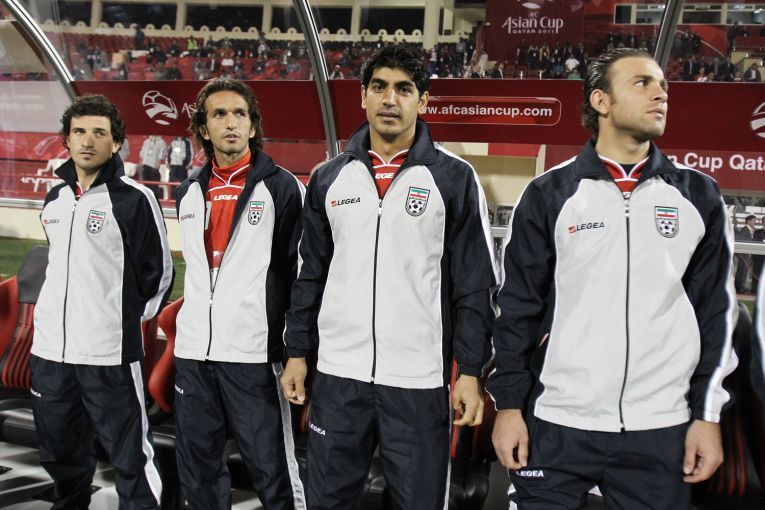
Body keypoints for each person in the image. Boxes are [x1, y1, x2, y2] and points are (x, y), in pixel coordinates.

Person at [488, 48, 737, 509]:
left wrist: (707, 415)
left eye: (662, 85)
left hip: (660, 423)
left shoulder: (698, 195)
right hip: (558, 417)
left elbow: (716, 316)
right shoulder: (549, 194)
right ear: (600, 101)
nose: (661, 94)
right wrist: (508, 406)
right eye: (643, 83)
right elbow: (517, 310)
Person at [280, 45, 497, 509]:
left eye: (404, 89)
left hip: (417, 379)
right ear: (363, 96)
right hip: (339, 375)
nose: (390, 99)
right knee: (326, 501)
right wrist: (297, 351)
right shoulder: (329, 178)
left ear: (423, 100)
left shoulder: (454, 178)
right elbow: (309, 276)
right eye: (379, 87)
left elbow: (475, 286)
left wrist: (470, 372)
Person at [31, 94, 173, 509]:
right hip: (50, 352)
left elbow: (160, 273)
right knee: (59, 451)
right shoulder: (55, 199)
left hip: (107, 353)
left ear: (116, 143)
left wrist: (121, 322)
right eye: (79, 132)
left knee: (130, 455)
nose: (88, 140)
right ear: (66, 140)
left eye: (99, 132)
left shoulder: (135, 198)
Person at [174, 78, 306, 510]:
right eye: (219, 114)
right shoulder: (189, 191)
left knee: (273, 471)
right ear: (203, 128)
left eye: (239, 114)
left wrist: (295, 350)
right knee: (198, 471)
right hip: (194, 354)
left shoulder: (282, 188)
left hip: (253, 355)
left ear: (252, 126)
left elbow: (301, 277)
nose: (230, 123)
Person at [736, 214, 758, 294]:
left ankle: (740, 287)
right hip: (744, 255)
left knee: (744, 271)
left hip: (748, 255)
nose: (755, 222)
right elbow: (740, 241)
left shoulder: (751, 230)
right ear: (748, 221)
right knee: (742, 271)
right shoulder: (744, 230)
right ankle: (740, 288)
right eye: (753, 220)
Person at [140, 134, 166, 199]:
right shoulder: (147, 141)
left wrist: (159, 161)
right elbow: (143, 151)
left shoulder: (161, 142)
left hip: (154, 165)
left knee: (154, 184)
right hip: (146, 163)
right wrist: (141, 160)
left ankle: (154, 198)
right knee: (146, 183)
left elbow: (162, 152)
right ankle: (146, 198)